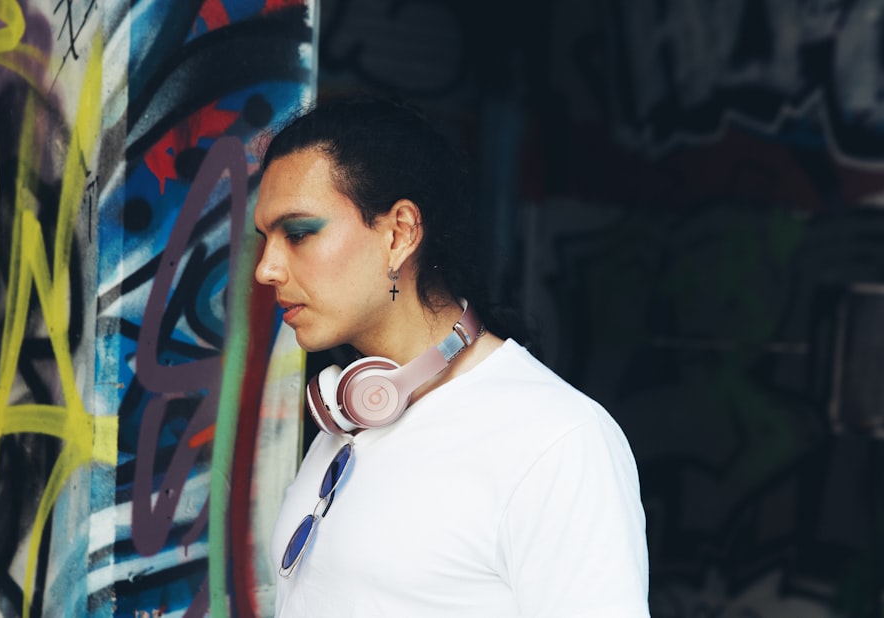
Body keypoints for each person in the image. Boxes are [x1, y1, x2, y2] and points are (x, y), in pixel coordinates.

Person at [253, 96, 650, 617]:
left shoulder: (557, 441)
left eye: (299, 234)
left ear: (399, 234)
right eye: (263, 240)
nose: (266, 269)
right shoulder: (348, 414)